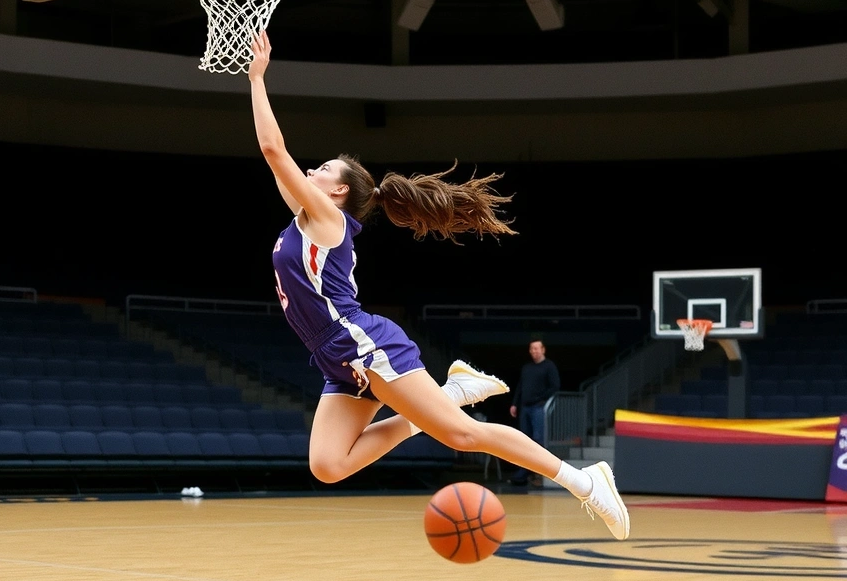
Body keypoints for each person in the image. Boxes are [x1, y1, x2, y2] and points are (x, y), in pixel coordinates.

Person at [248, 31, 630, 541]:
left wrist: (257, 77)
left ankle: (585, 482)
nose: (310, 171)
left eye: (320, 170)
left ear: (338, 191)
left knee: (462, 435)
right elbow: (277, 162)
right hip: (335, 356)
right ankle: (450, 392)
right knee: (327, 465)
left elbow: (273, 149)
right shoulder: (306, 217)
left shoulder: (327, 220)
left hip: (362, 344)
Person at [509, 339, 560, 487]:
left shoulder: (549, 366)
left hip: (538, 407)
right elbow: (520, 386)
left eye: (537, 348)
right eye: (532, 349)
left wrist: (542, 399)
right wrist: (514, 403)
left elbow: (555, 386)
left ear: (543, 350)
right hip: (525, 407)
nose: (534, 351)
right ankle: (523, 473)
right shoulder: (526, 368)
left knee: (539, 439)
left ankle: (539, 473)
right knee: (524, 440)